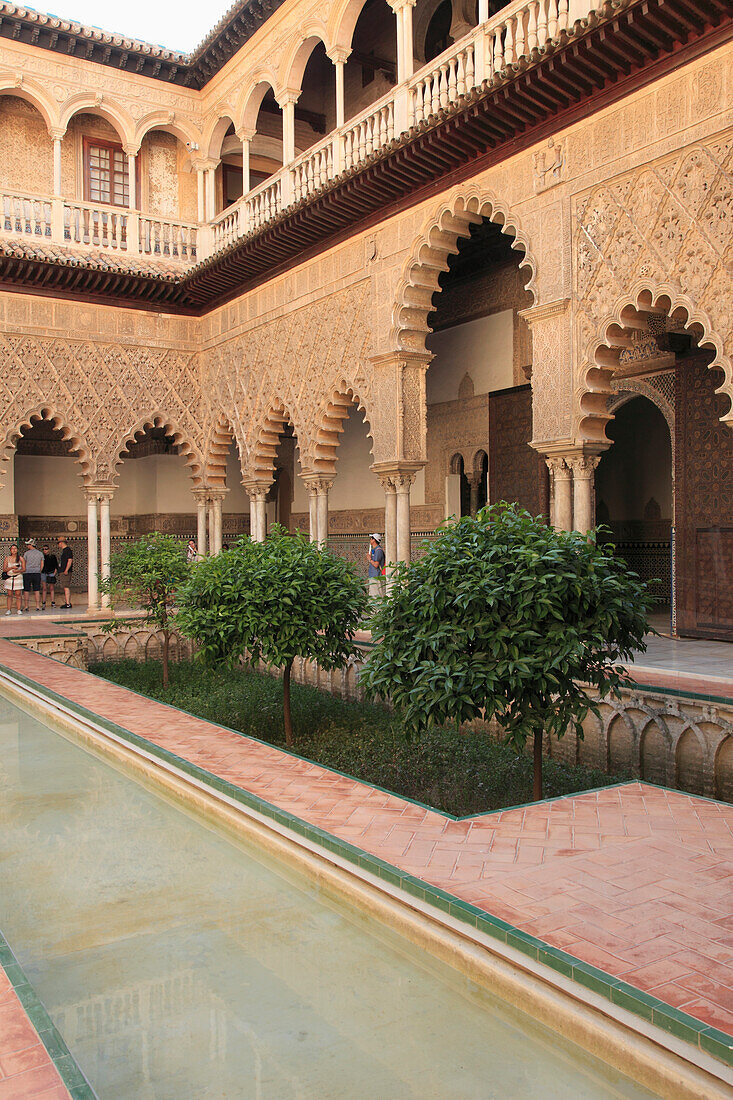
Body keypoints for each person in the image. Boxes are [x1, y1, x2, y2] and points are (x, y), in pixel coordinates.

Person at [22, 538, 44, 612]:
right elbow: (42, 564)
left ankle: (26, 606)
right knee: (37, 590)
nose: (27, 546)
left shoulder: (26, 553)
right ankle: (37, 606)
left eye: (28, 544)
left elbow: (24, 563)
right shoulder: (40, 553)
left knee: (26, 590)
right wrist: (39, 570)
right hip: (36, 573)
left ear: (31, 545)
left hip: (27, 573)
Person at [3, 544, 25, 615]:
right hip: (9, 578)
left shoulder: (20, 558)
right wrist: (12, 567)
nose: (14, 550)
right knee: (9, 594)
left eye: (15, 548)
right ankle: (9, 609)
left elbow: (24, 569)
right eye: (12, 549)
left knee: (18, 594)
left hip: (18, 577)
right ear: (10, 550)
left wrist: (17, 571)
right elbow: (4, 569)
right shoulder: (7, 558)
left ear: (17, 549)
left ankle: (18, 609)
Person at [366, 533, 386, 600]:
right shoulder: (375, 550)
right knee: (373, 595)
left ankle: (378, 610)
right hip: (373, 576)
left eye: (371, 539)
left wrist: (369, 559)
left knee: (376, 595)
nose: (370, 540)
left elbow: (376, 565)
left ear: (374, 540)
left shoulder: (378, 551)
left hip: (376, 576)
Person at [57, 536, 73, 609]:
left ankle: (68, 603)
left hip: (65, 572)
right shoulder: (64, 551)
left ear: (61, 543)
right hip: (63, 571)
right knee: (64, 587)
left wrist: (66, 570)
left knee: (66, 587)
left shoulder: (67, 550)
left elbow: (70, 560)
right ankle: (67, 602)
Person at [41, 544, 58, 609]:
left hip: (51, 573)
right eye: (43, 549)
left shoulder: (53, 556)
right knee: (44, 588)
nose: (45, 550)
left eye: (46, 549)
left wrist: (54, 573)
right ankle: (43, 602)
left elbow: (56, 565)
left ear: (49, 549)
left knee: (51, 588)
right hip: (43, 573)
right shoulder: (42, 557)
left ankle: (53, 602)